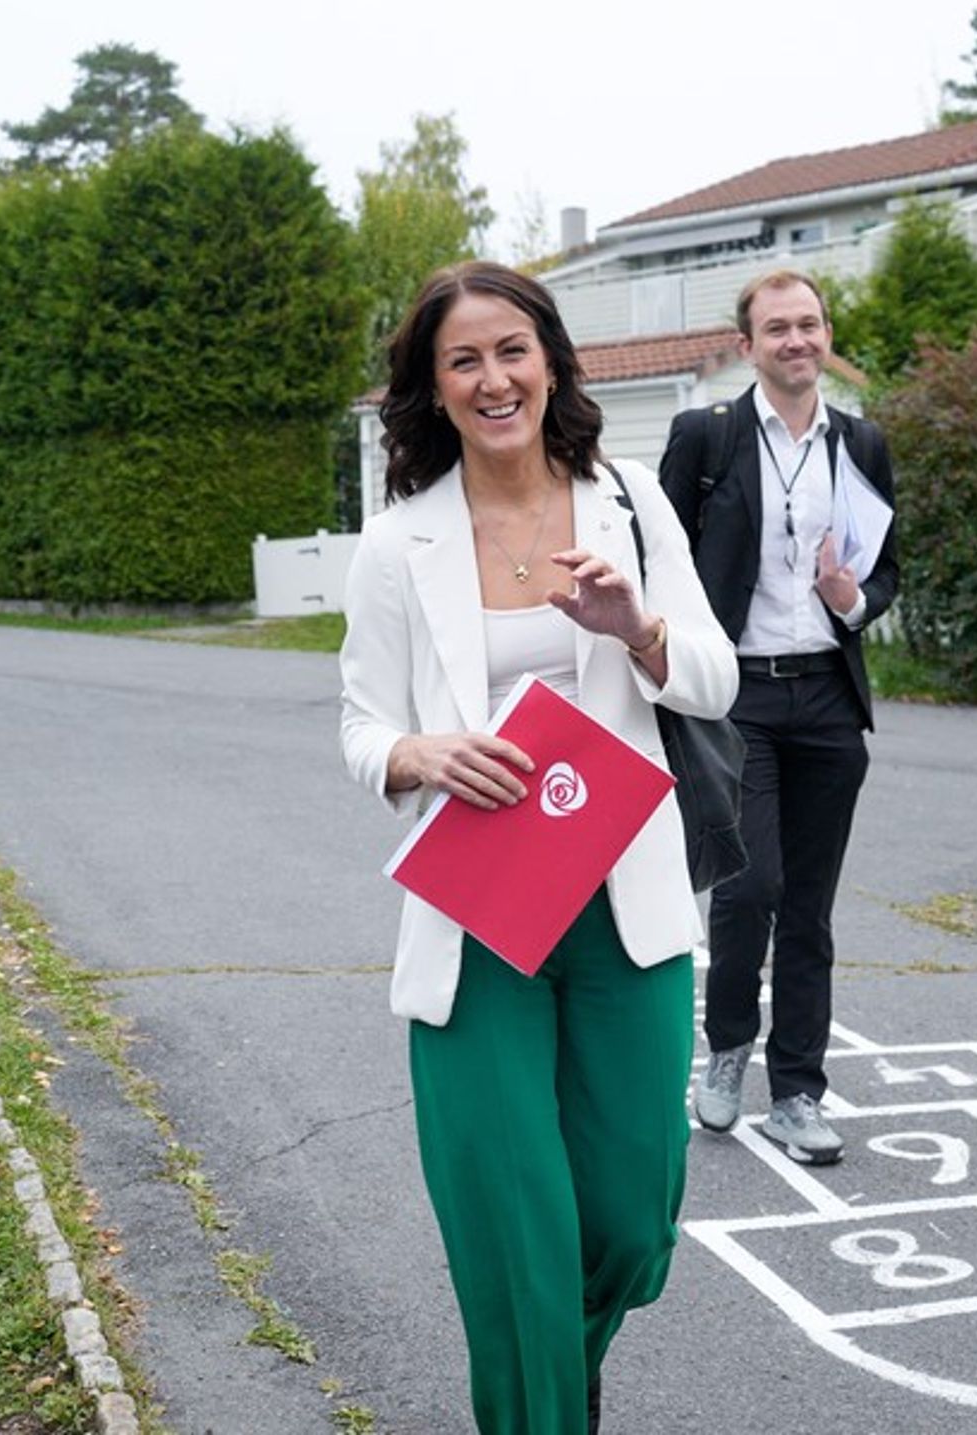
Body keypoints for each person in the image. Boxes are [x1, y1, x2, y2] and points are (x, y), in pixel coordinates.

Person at [338, 260, 737, 1435]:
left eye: (510, 349)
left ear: (551, 359)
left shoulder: (628, 504)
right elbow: (361, 720)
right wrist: (419, 756)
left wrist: (639, 626)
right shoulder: (396, 544)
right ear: (434, 387)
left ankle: (555, 1377)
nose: (492, 377)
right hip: (475, 921)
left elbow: (712, 682)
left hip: (624, 909)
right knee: (514, 1237)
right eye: (462, 359)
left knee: (624, 1224)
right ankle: (542, 1406)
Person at [659, 269, 899, 1166]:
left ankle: (798, 1091)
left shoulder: (862, 443)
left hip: (829, 698)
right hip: (739, 696)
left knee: (809, 907)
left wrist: (853, 599)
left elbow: (887, 575)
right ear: (748, 343)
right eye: (777, 328)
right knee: (749, 886)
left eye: (810, 325)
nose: (796, 341)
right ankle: (726, 1051)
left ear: (826, 335)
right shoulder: (707, 437)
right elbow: (662, 553)